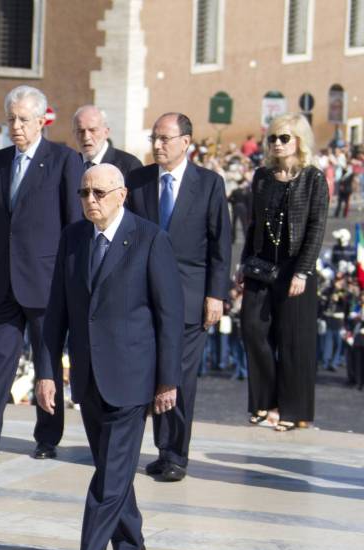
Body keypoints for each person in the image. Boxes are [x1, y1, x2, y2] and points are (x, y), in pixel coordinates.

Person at [36, 164, 183, 550]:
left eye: (98, 192)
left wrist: (168, 379)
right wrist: (47, 373)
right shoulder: (73, 238)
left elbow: (169, 316)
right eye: (84, 193)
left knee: (110, 473)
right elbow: (56, 314)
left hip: (133, 376)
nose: (90, 200)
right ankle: (131, 541)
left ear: (121, 195)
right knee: (111, 466)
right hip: (88, 376)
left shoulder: (150, 238)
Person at [0, 85, 83, 465]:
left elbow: (74, 225)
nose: (16, 126)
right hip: (2, 282)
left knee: (47, 362)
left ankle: (47, 436)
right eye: (11, 118)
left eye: (23, 119)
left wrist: (69, 281)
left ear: (42, 121)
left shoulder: (64, 160)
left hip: (46, 281)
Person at [126, 113, 231, 482]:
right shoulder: (137, 181)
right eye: (154, 137)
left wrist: (216, 294)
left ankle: (175, 454)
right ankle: (156, 447)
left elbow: (221, 244)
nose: (157, 145)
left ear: (185, 142)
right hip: (143, 296)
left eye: (165, 139)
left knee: (180, 377)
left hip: (190, 297)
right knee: (151, 372)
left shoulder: (209, 184)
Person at [238, 113, 328, 431]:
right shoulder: (262, 176)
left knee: (293, 340)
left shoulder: (313, 178)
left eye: (284, 138)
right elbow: (253, 224)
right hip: (262, 265)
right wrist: (244, 262)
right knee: (251, 327)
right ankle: (265, 401)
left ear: (299, 141)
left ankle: (292, 410)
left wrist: (302, 272)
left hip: (296, 267)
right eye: (273, 138)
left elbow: (317, 227)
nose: (277, 143)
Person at [72, 105, 142, 176]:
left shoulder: (129, 165)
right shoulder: (70, 165)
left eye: (93, 130)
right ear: (74, 134)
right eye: (80, 131)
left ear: (106, 132)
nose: (86, 137)